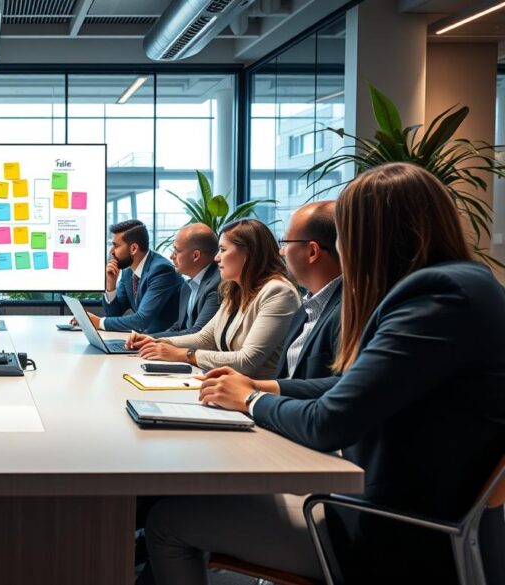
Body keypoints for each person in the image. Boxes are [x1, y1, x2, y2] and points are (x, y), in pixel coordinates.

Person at [144, 162, 505, 585]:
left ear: (370, 236)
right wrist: (266, 385)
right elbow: (353, 387)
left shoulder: (435, 299)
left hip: (394, 535)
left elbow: (329, 421)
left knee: (167, 520)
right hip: (413, 511)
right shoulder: (464, 285)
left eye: (345, 235)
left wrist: (250, 400)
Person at [128, 219, 300, 378]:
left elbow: (246, 361)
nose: (216, 257)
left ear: (248, 254)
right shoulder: (235, 289)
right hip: (229, 386)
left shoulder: (278, 292)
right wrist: (157, 341)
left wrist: (185, 355)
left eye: (223, 250)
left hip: (258, 396)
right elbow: (205, 338)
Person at [274, 201, 342, 382]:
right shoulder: (305, 309)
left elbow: (334, 390)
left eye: (285, 242)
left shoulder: (349, 312)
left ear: (312, 251)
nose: (281, 251)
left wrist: (253, 392)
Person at [80, 219, 183, 333]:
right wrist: (111, 285)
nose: (111, 251)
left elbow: (141, 321)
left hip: (165, 342)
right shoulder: (128, 271)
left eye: (116, 246)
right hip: (144, 339)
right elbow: (113, 314)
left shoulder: (161, 270)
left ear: (133, 248)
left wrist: (98, 322)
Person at [149, 223, 221, 337]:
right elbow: (179, 326)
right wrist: (146, 339)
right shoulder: (187, 286)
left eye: (176, 251)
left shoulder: (217, 285)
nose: (171, 256)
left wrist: (150, 339)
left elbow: (198, 333)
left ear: (195, 255)